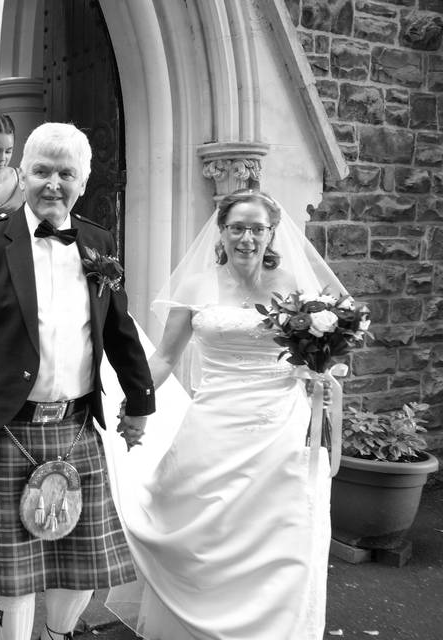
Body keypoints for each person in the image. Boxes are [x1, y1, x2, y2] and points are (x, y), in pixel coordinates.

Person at [0, 122, 156, 640]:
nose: (53, 184)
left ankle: (60, 636)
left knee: (79, 564)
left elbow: (119, 330)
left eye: (66, 173)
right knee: (12, 579)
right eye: (41, 171)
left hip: (77, 426)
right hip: (5, 428)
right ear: (22, 174)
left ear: (82, 181)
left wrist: (140, 402)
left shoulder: (99, 241)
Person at [105, 189, 346, 639]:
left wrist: (319, 375)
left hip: (282, 428)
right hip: (214, 425)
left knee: (283, 535)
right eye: (237, 228)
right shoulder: (196, 287)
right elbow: (164, 358)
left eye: (257, 229)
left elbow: (323, 353)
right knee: (204, 536)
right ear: (222, 231)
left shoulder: (296, 286)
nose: (247, 238)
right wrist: (135, 401)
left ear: (272, 233)